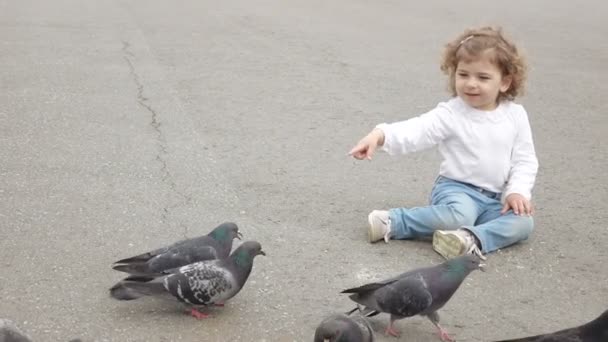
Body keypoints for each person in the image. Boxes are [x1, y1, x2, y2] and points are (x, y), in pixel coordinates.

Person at [349, 27, 538, 260]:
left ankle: (469, 239)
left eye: (483, 77)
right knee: (459, 216)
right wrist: (379, 135)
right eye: (463, 74)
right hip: (456, 191)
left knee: (523, 223)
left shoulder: (515, 115)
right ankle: (393, 221)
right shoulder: (451, 113)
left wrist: (517, 191)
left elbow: (524, 159)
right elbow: (417, 130)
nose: (471, 84)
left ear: (505, 82)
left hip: (494, 198)